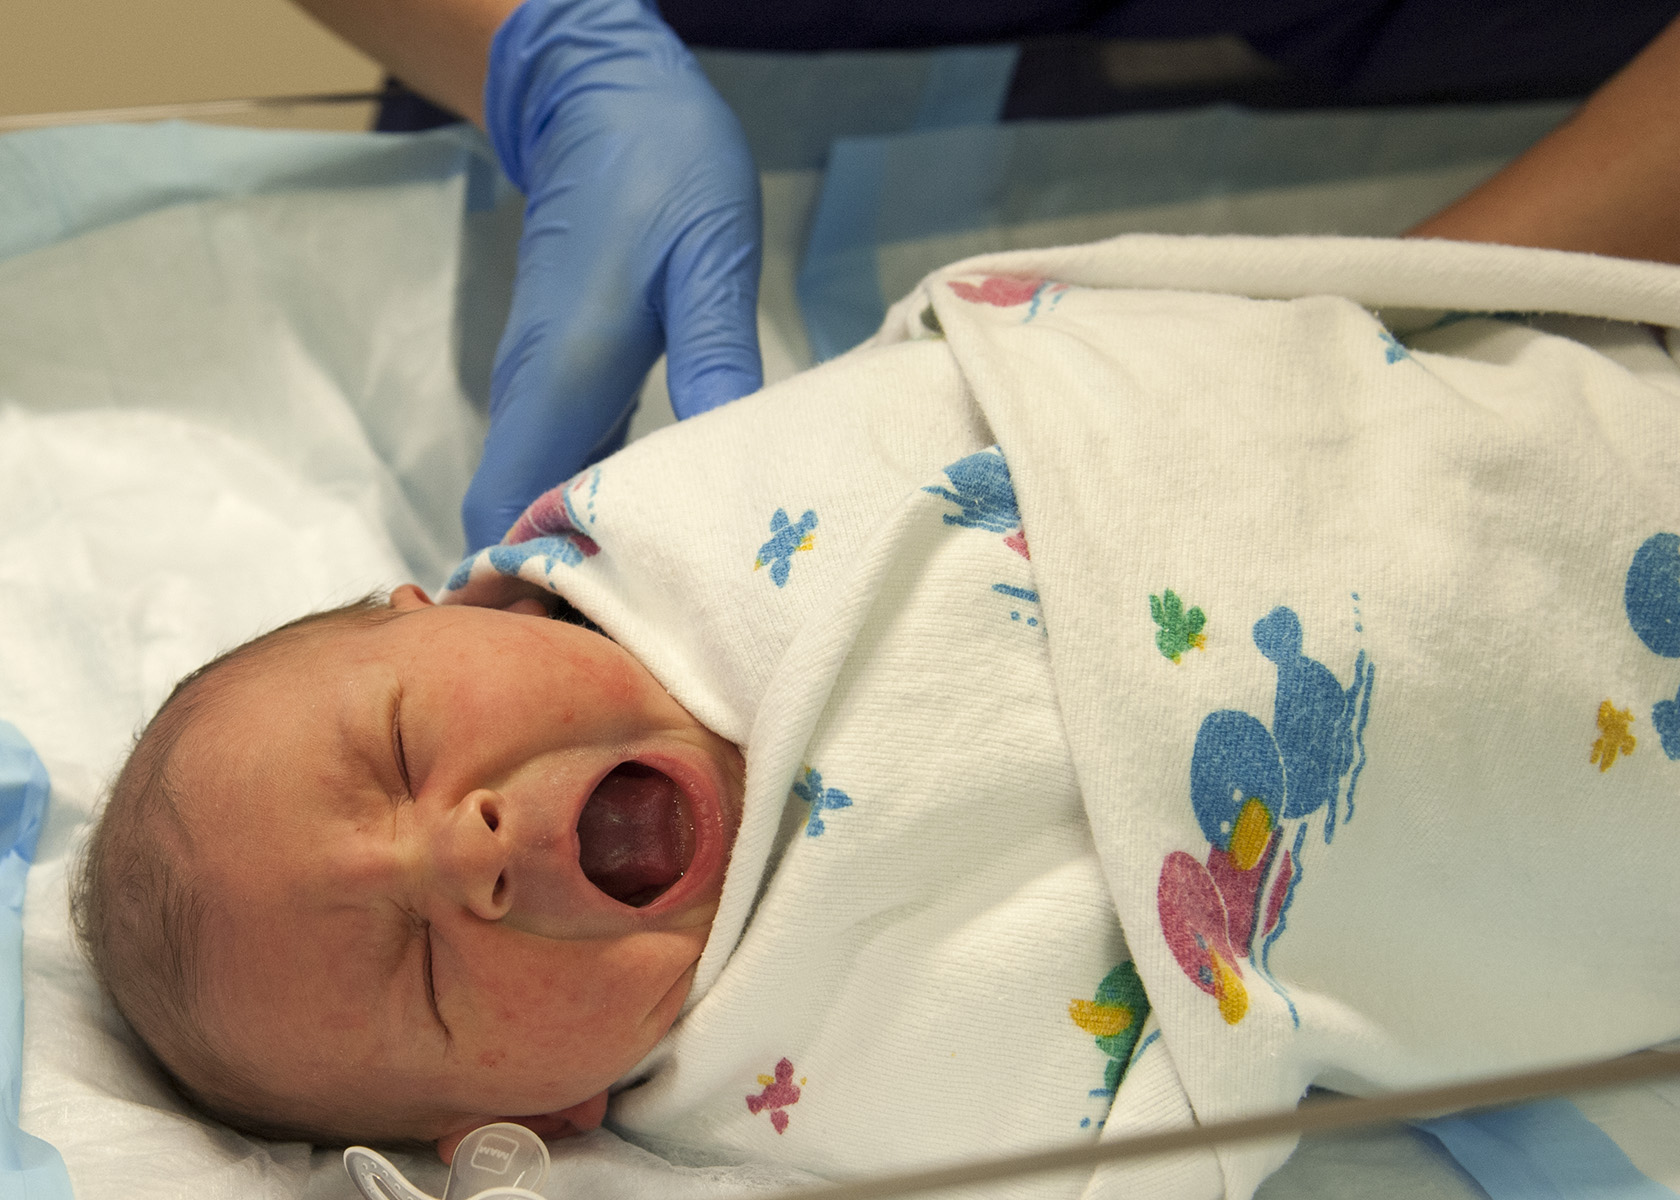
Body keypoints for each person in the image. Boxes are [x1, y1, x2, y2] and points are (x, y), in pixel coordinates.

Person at [71, 205, 1680, 1200]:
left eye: (403, 749)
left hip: (1530, 450)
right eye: (422, 971)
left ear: (468, 598)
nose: (471, 852)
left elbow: (1059, 368)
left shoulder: (720, 518)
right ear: (535, 1116)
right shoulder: (809, 1083)